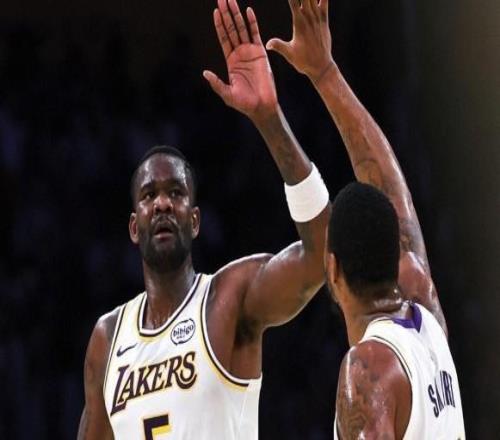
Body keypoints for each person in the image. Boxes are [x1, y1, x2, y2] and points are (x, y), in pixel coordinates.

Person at [77, 0, 330, 438]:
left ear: (195, 221)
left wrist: (269, 119)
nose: (162, 203)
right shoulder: (107, 339)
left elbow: (321, 254)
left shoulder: (228, 298)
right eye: (149, 195)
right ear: (134, 227)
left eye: (176, 193)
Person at [266, 0, 465, 438]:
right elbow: (395, 195)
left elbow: (396, 203)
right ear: (396, 259)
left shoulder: (367, 368)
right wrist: (325, 73)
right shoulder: (426, 317)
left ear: (332, 268)